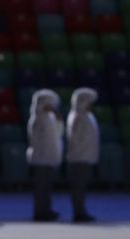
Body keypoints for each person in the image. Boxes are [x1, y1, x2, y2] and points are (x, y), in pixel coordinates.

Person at [27, 89, 63, 222]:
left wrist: (58, 120)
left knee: (47, 188)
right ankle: (39, 212)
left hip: (48, 157)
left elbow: (57, 135)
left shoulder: (50, 118)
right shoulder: (37, 119)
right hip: (40, 158)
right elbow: (38, 141)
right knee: (40, 188)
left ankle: (47, 209)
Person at [66, 88, 99, 223]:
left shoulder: (86, 115)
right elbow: (77, 139)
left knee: (81, 187)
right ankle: (78, 212)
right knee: (78, 188)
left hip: (85, 156)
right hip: (79, 157)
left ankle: (81, 210)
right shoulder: (78, 116)